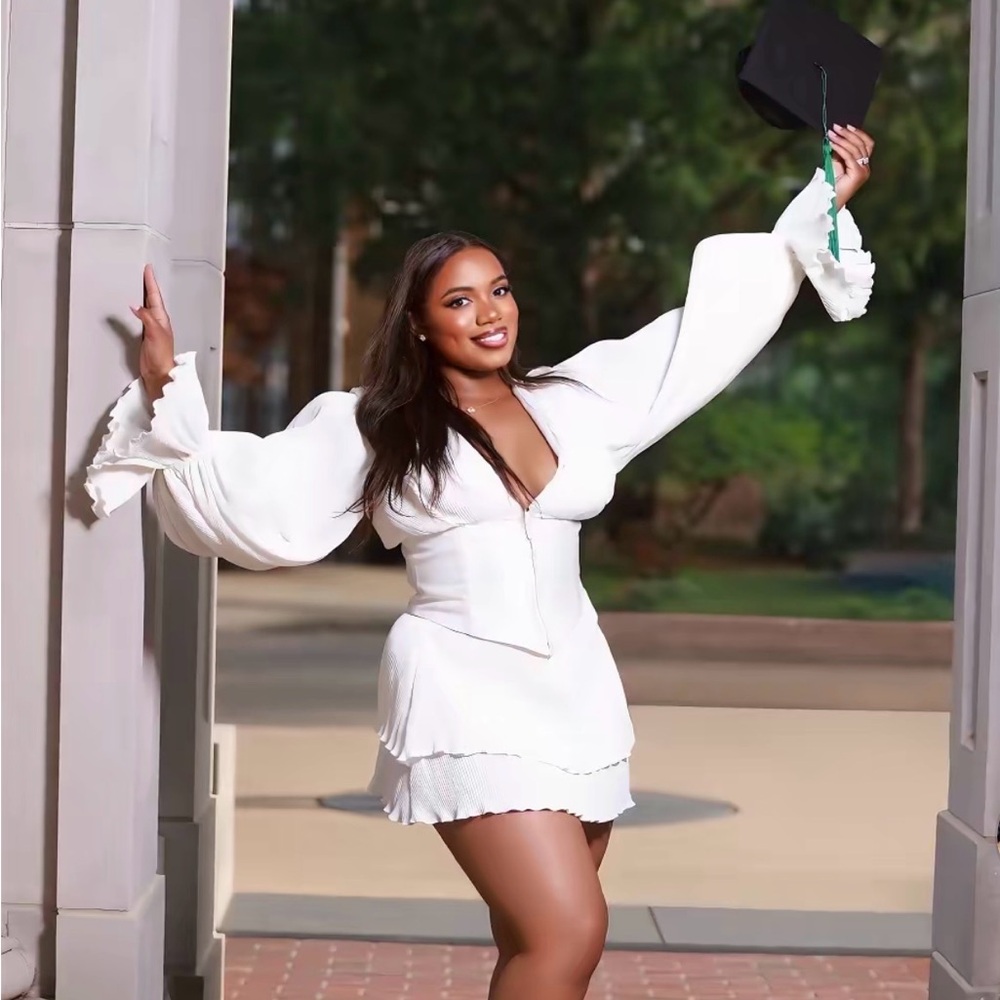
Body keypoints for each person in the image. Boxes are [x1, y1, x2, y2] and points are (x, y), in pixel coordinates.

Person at [87, 126, 875, 1000]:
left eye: (498, 290)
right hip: (462, 687)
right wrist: (166, 388)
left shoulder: (576, 401)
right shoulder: (376, 425)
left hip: (577, 692)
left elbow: (695, 340)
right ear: (419, 327)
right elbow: (260, 501)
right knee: (568, 930)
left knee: (537, 941)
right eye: (459, 301)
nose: (490, 313)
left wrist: (817, 210)